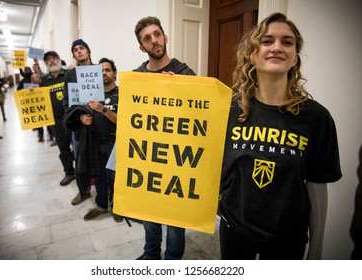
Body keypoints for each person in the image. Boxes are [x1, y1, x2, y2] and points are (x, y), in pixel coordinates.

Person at [218, 12, 342, 260]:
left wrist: (316, 249)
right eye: (267, 41)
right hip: (234, 232)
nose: (277, 47)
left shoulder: (317, 119)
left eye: (287, 42)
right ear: (252, 54)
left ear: (295, 57)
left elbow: (317, 188)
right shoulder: (228, 111)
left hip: (287, 241)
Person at [133, 16, 196, 260]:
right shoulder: (137, 77)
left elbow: (197, 116)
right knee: (149, 212)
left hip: (177, 158)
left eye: (157, 34)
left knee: (175, 217)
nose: (154, 41)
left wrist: (177, 89)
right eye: (147, 38)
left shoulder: (185, 72)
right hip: (148, 157)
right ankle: (150, 255)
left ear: (165, 37)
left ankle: (172, 263)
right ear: (142, 47)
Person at [82, 57, 121, 221]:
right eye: (100, 71)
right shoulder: (91, 94)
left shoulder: (122, 94)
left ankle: (119, 208)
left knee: (116, 177)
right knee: (98, 176)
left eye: (107, 70)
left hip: (115, 142)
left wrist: (103, 109)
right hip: (95, 141)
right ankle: (102, 205)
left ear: (114, 73)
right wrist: (83, 118)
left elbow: (122, 120)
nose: (104, 73)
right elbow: (82, 113)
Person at [63, 39, 94, 206]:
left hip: (98, 121)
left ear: (88, 51)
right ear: (74, 55)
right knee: (80, 158)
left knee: (100, 156)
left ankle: (106, 189)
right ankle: (84, 191)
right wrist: (79, 117)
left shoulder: (99, 70)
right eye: (75, 50)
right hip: (79, 123)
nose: (79, 51)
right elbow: (67, 101)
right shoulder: (70, 74)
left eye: (82, 48)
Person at [41, 51, 75, 186]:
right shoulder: (44, 80)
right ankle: (69, 173)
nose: (52, 61)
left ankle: (81, 171)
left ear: (59, 60)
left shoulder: (68, 74)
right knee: (63, 147)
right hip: (55, 120)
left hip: (72, 117)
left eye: (54, 58)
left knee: (78, 146)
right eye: (48, 60)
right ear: (46, 63)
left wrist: (76, 70)